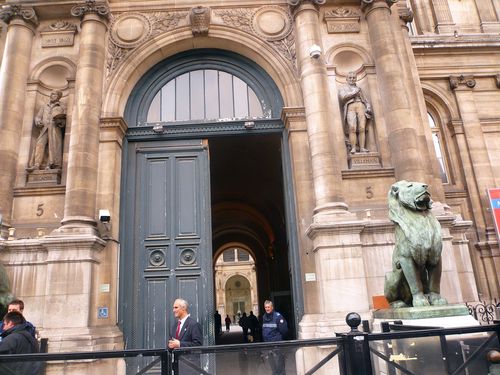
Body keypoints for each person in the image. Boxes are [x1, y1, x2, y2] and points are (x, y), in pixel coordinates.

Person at [27, 90, 66, 172]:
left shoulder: (62, 107)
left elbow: (64, 120)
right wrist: (38, 121)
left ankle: (50, 165)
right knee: (39, 144)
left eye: (54, 94)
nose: (51, 95)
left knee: (53, 147)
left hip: (55, 129)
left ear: (58, 96)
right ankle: (36, 164)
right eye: (51, 94)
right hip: (44, 128)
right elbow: (38, 116)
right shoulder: (45, 106)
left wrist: (60, 122)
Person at [338, 71, 372, 154]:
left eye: (353, 78)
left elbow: (365, 100)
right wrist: (354, 92)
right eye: (350, 78)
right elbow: (343, 97)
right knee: (352, 127)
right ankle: (353, 147)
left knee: (362, 128)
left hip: (361, 106)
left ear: (356, 78)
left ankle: (362, 147)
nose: (352, 79)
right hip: (350, 106)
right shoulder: (343, 88)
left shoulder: (359, 89)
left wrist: (368, 107)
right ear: (346, 79)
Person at [261, 300, 288, 375]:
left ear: (272, 307)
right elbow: (264, 329)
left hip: (277, 345)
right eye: (266, 307)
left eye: (268, 307)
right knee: (273, 366)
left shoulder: (278, 316)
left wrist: (278, 339)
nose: (267, 309)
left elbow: (284, 330)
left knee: (280, 366)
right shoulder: (264, 317)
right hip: (268, 345)